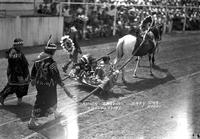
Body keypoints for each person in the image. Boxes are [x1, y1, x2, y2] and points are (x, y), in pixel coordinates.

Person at [28, 43, 74, 128]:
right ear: (52, 51)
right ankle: (32, 121)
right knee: (40, 102)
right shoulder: (51, 62)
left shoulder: (39, 58)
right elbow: (56, 76)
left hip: (40, 84)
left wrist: (33, 79)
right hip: (48, 85)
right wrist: (63, 86)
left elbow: (33, 70)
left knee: (50, 99)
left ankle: (56, 114)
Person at [0, 38, 30, 105]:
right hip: (15, 74)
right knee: (13, 87)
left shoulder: (17, 51)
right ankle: (2, 96)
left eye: (21, 44)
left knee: (21, 86)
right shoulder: (14, 52)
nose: (20, 46)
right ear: (15, 45)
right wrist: (19, 75)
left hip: (21, 73)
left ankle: (19, 100)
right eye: (19, 45)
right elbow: (16, 65)